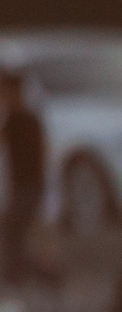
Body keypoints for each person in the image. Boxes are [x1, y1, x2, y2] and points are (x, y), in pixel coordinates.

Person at [1, 71, 62, 288]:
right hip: (23, 186)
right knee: (15, 229)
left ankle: (25, 272)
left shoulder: (27, 120)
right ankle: (25, 271)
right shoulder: (14, 119)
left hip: (31, 186)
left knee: (13, 226)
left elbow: (42, 157)